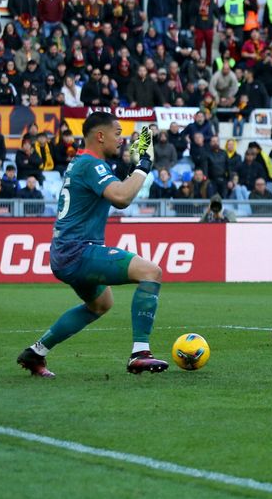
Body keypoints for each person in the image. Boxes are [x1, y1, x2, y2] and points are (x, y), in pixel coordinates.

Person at [16, 118, 167, 377]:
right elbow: (121, 198)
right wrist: (143, 166)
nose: (121, 139)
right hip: (78, 251)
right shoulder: (90, 164)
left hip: (66, 252)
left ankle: (36, 352)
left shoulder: (83, 162)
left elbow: (116, 189)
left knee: (100, 304)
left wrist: (132, 168)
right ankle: (140, 353)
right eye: (117, 133)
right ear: (99, 136)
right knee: (151, 272)